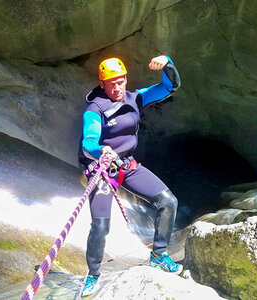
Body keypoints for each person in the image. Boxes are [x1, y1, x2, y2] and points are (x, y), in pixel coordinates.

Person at [78, 55, 183, 296]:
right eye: (111, 83)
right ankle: (92, 274)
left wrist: (168, 62)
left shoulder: (135, 98)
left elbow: (170, 86)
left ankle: (158, 255)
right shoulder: (94, 110)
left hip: (126, 165)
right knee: (101, 225)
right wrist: (101, 150)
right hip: (102, 169)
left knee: (168, 202)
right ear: (102, 84)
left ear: (126, 80)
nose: (117, 87)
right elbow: (88, 143)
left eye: (121, 81)